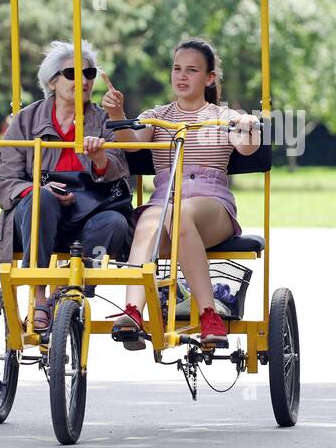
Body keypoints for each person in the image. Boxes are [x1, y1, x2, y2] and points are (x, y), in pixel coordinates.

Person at [109, 37, 261, 345]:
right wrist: (117, 114)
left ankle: (209, 313)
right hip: (165, 200)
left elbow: (247, 147)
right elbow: (132, 143)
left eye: (191, 70)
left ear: (209, 78)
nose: (181, 76)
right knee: (148, 222)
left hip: (209, 204)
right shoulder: (158, 116)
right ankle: (133, 311)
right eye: (176, 69)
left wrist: (248, 123)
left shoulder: (223, 117)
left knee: (177, 215)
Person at [0, 40, 133, 330]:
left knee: (115, 223)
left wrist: (100, 158)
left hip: (91, 214)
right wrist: (36, 191)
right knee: (42, 200)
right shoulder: (26, 120)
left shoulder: (105, 121)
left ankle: (62, 293)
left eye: (89, 74)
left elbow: (121, 170)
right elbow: (4, 183)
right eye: (72, 74)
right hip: (38, 215)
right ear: (52, 81)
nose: (83, 80)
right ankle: (39, 297)